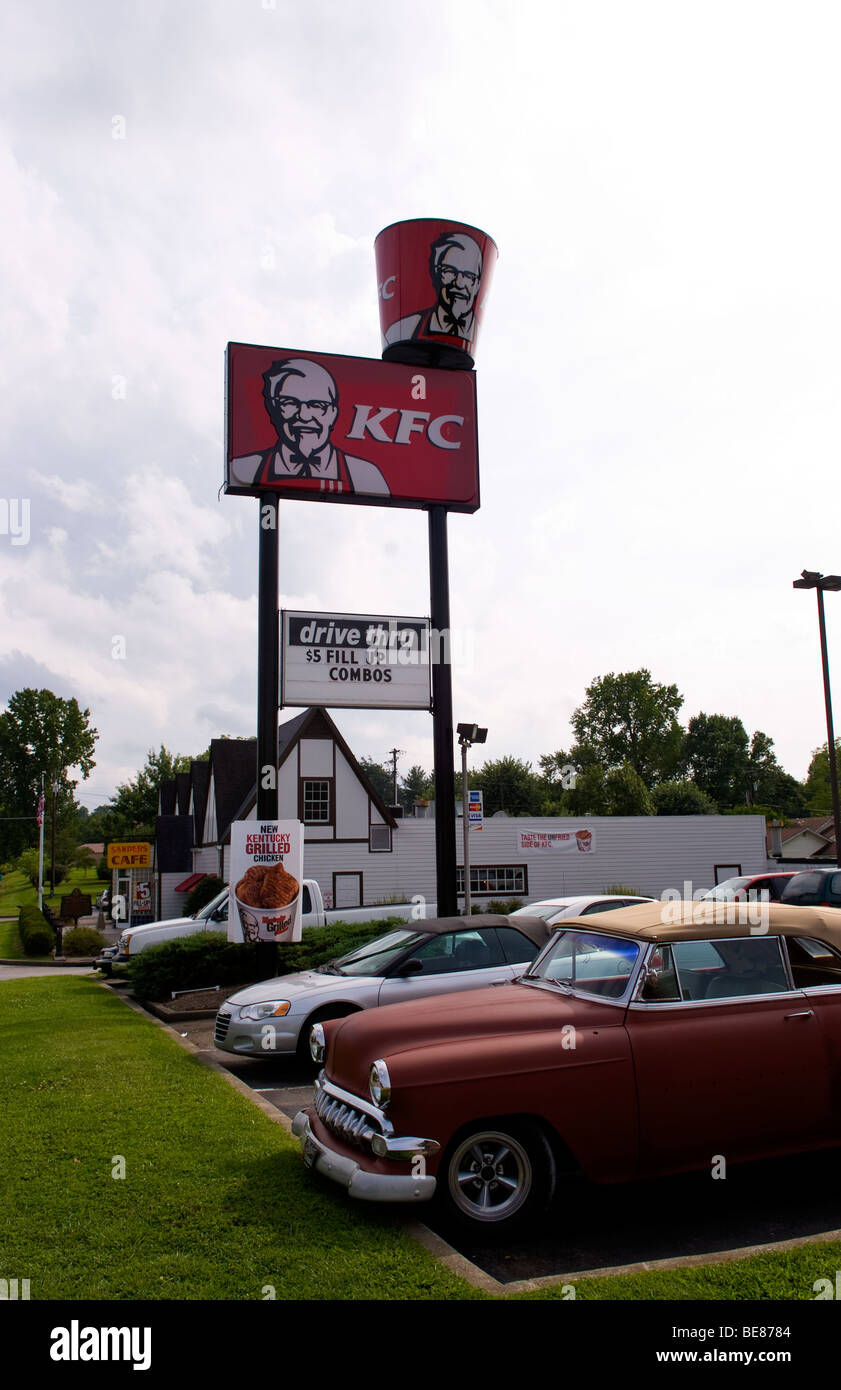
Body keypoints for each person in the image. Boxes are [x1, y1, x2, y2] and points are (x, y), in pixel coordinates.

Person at [229, 358, 389, 496]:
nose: (304, 416)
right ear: (273, 408)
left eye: (317, 405)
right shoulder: (245, 468)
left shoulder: (365, 474)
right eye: (290, 403)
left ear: (333, 413)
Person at [383, 230, 483, 351]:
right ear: (437, 274)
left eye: (469, 276)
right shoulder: (402, 329)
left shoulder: (485, 337)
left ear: (478, 284)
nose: (459, 283)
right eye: (450, 271)